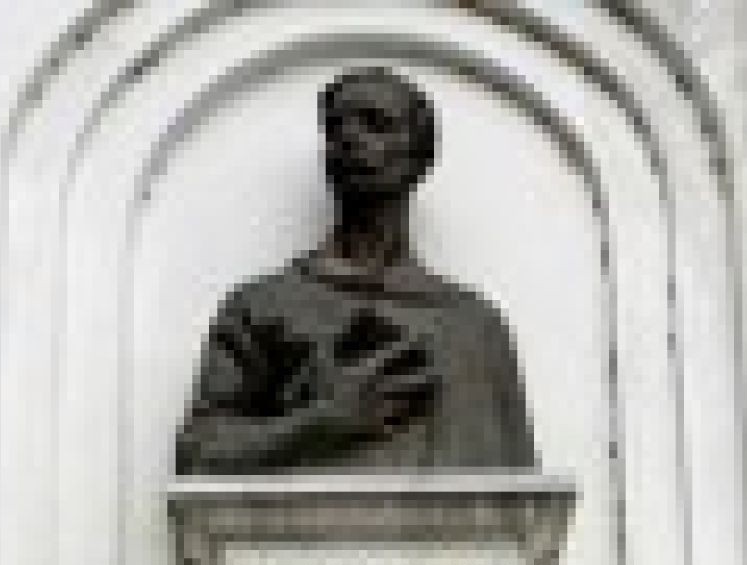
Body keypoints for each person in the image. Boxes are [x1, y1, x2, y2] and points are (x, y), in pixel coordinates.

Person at [175, 66, 537, 473]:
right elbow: (198, 455)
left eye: (375, 123)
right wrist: (320, 424)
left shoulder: (476, 326)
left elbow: (520, 493)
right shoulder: (263, 305)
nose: (349, 138)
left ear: (420, 156)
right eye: (336, 127)